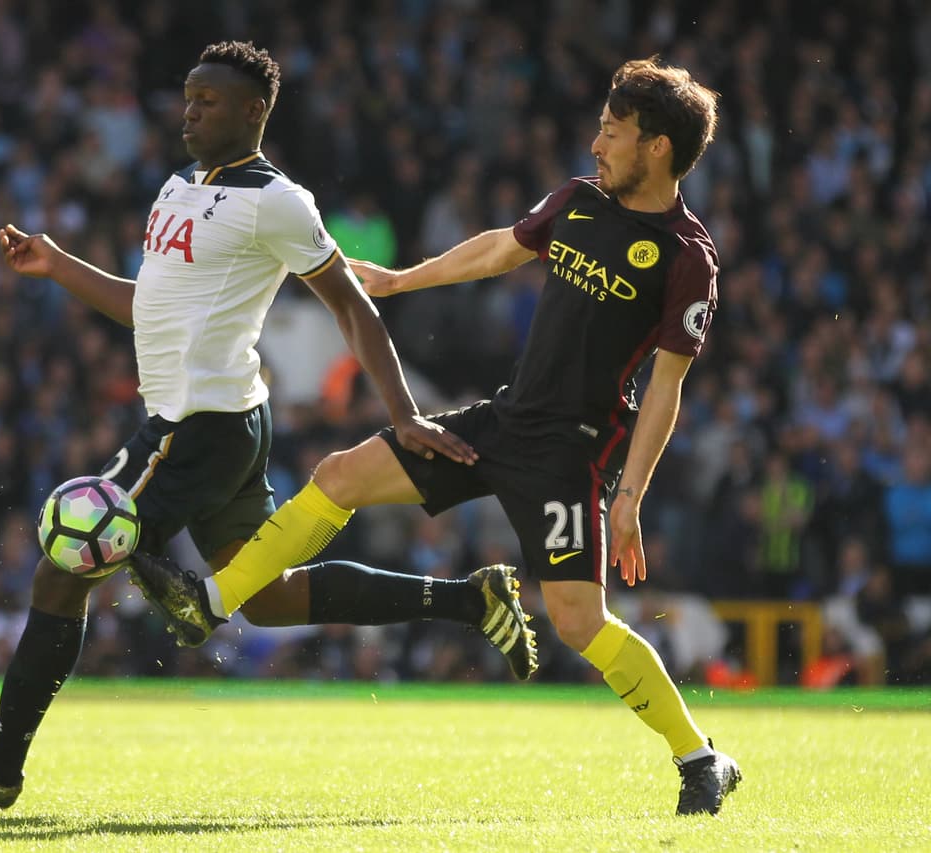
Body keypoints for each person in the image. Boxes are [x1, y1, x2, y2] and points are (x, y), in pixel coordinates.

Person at [0, 41, 534, 809]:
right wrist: (59, 264)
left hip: (195, 425)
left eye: (209, 99)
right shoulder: (179, 186)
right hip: (223, 416)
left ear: (255, 110)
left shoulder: (278, 201)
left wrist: (403, 416)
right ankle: (470, 600)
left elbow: (350, 303)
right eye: (189, 96)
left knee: (62, 570)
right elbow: (150, 306)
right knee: (264, 594)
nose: (190, 110)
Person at [130, 57, 743, 816]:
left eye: (612, 132)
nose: (596, 144)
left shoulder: (688, 259)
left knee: (581, 622)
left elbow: (667, 386)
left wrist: (630, 500)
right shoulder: (580, 201)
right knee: (341, 474)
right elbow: (497, 248)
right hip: (502, 421)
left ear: (656, 147)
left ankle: (700, 756)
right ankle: (213, 600)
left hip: (569, 455)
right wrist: (395, 280)